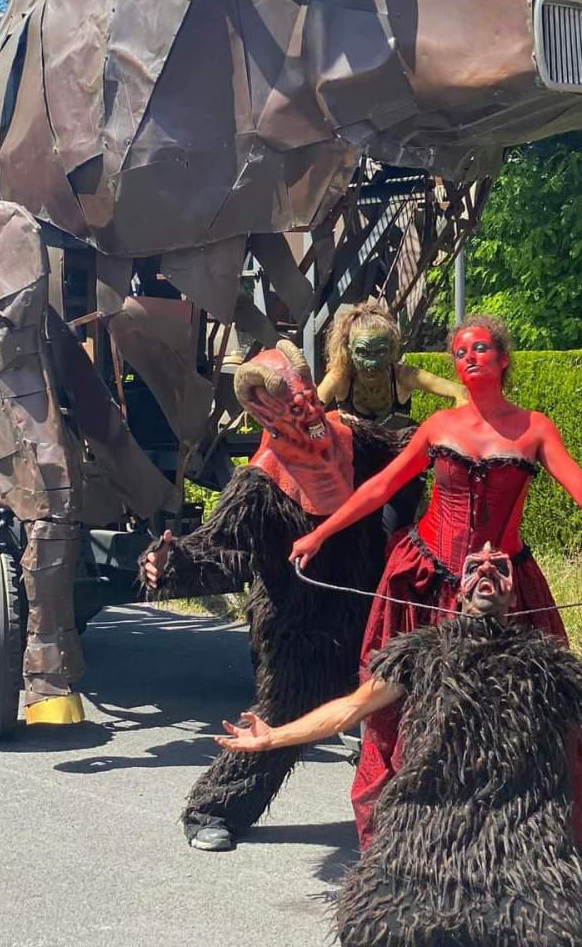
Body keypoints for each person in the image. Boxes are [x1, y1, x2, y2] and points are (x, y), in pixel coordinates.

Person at [218, 547, 582, 947]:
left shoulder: (546, 659)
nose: (488, 571)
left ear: (515, 594)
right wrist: (274, 737)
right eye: (476, 566)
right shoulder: (420, 653)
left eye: (500, 567)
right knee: (376, 927)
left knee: (545, 932)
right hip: (426, 825)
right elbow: (350, 709)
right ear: (459, 591)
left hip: (521, 833)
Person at [290, 314, 582, 860]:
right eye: (459, 352)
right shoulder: (438, 426)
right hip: (427, 580)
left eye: (478, 349)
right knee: (399, 706)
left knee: (542, 709)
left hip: (504, 584)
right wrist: (321, 534)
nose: (467, 358)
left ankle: (541, 840)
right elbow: (379, 488)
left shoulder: (534, 428)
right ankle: (399, 840)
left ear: (502, 359)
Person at [141, 340, 409, 852]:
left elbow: (410, 456)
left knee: (399, 700)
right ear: (265, 412)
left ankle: (410, 811)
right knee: (285, 715)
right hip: (296, 624)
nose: (305, 404)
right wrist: (167, 564)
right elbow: (219, 552)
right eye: (289, 399)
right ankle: (213, 809)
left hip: (368, 608)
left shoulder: (354, 439)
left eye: (306, 390)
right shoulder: (260, 484)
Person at [319, 301, 466, 532]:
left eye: (380, 352)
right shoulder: (341, 377)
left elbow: (461, 392)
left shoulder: (403, 376)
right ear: (349, 349)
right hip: (354, 469)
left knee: (394, 530)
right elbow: (311, 409)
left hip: (397, 469)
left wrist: (453, 426)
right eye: (363, 352)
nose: (371, 363)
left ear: (392, 349)